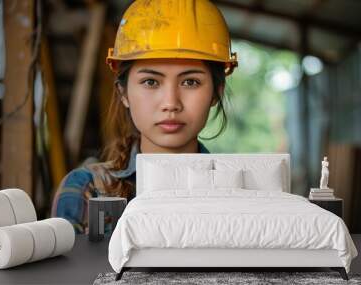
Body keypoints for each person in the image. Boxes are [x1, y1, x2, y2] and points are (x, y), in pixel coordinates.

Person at [51, 0, 238, 234]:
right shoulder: (87, 190)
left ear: (215, 93)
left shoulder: (236, 192)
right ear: (124, 93)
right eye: (151, 82)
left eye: (190, 82)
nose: (171, 103)